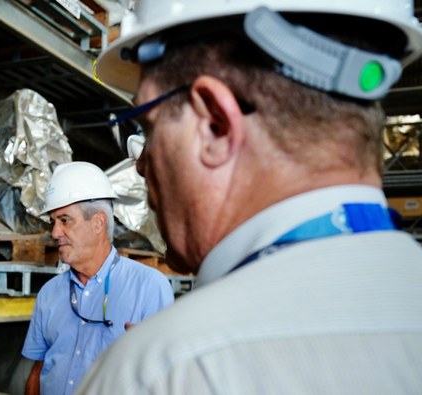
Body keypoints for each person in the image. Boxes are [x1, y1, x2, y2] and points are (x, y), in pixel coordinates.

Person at [77, 0, 422, 393]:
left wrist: (164, 350)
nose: (141, 165)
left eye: (148, 126)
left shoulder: (162, 373)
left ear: (214, 125)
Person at [22, 161, 174, 395]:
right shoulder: (49, 293)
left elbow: (165, 380)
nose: (54, 233)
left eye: (65, 220)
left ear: (98, 223)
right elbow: (38, 370)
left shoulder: (149, 288)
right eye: (53, 222)